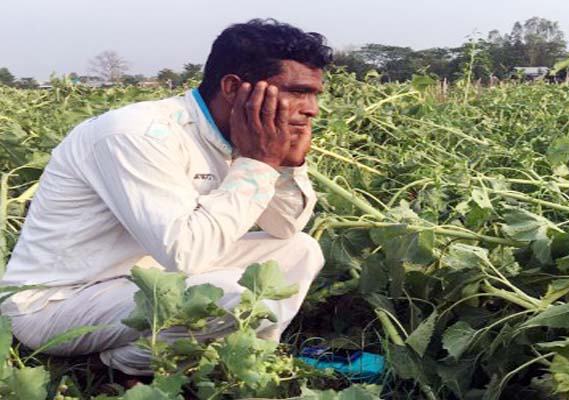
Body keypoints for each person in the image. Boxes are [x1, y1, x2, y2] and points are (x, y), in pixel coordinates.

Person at [0, 19, 332, 376]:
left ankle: (249, 359)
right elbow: (185, 254)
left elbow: (284, 227)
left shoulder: (243, 133)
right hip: (62, 301)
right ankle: (112, 364)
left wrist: (286, 165)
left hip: (150, 278)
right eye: (297, 92)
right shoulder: (137, 134)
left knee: (300, 250)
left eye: (314, 94)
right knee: (230, 296)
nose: (311, 108)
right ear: (235, 88)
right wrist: (259, 162)